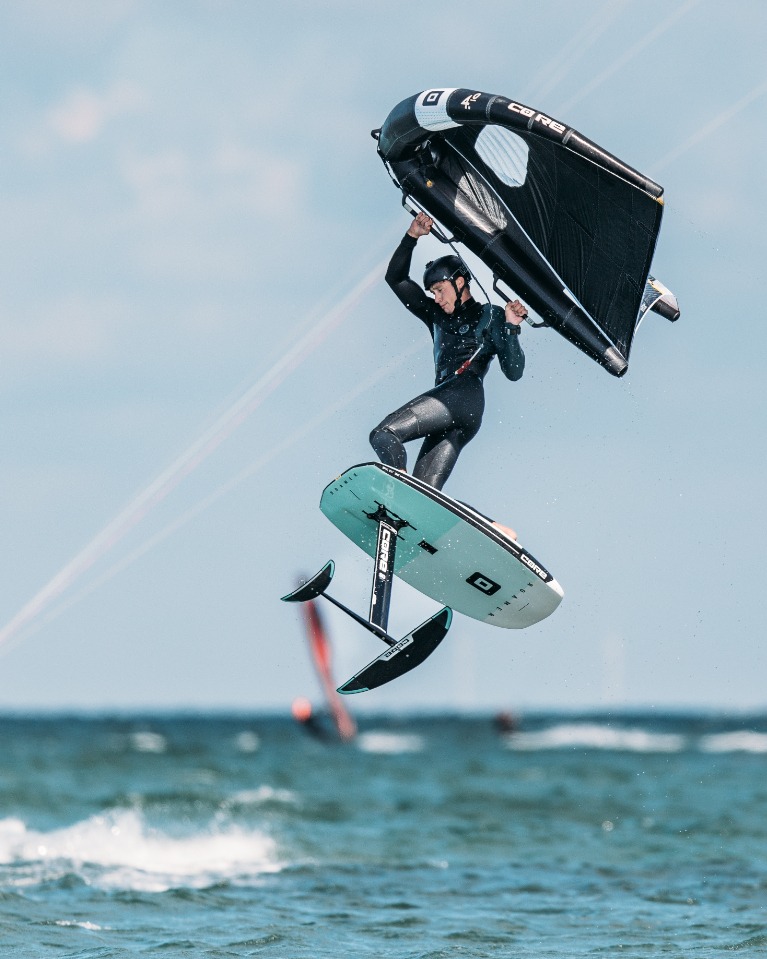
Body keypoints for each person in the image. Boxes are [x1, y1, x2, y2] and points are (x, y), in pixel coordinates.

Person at [369, 213, 528, 532]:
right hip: (460, 411)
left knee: (384, 434)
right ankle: (493, 527)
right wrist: (412, 236)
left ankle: (395, 497)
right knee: (424, 494)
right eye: (432, 293)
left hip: (463, 394)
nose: (436, 298)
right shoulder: (436, 317)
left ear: (460, 282)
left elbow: (514, 372)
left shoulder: (491, 316)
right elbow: (396, 279)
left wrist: (511, 329)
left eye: (440, 289)